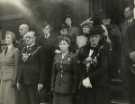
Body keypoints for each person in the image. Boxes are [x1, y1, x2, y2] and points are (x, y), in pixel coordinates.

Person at [77, 25, 109, 104]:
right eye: (91, 37)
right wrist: (83, 79)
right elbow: (78, 65)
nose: (93, 39)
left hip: (98, 85)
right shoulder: (83, 49)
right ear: (89, 38)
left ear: (99, 38)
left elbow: (103, 68)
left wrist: (89, 78)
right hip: (85, 84)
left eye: (96, 37)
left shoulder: (103, 50)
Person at [17, 31, 46, 104]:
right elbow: (20, 65)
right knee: (24, 101)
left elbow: (43, 66)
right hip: (23, 80)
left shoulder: (39, 49)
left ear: (34, 38)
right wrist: (18, 80)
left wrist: (41, 81)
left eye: (29, 37)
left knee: (33, 101)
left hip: (34, 81)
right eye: (26, 37)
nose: (27, 39)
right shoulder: (23, 49)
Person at [51, 36, 78, 104]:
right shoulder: (56, 56)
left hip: (68, 87)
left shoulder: (73, 56)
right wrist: (52, 86)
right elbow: (53, 73)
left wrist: (74, 89)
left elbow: (75, 74)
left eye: (64, 44)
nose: (62, 46)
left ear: (68, 45)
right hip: (57, 86)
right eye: (60, 44)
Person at [0, 31, 19, 104]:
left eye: (8, 37)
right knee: (2, 98)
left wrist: (14, 80)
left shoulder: (16, 51)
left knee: (9, 99)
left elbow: (17, 66)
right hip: (2, 78)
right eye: (6, 37)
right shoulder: (2, 51)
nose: (6, 39)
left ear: (13, 39)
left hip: (10, 79)